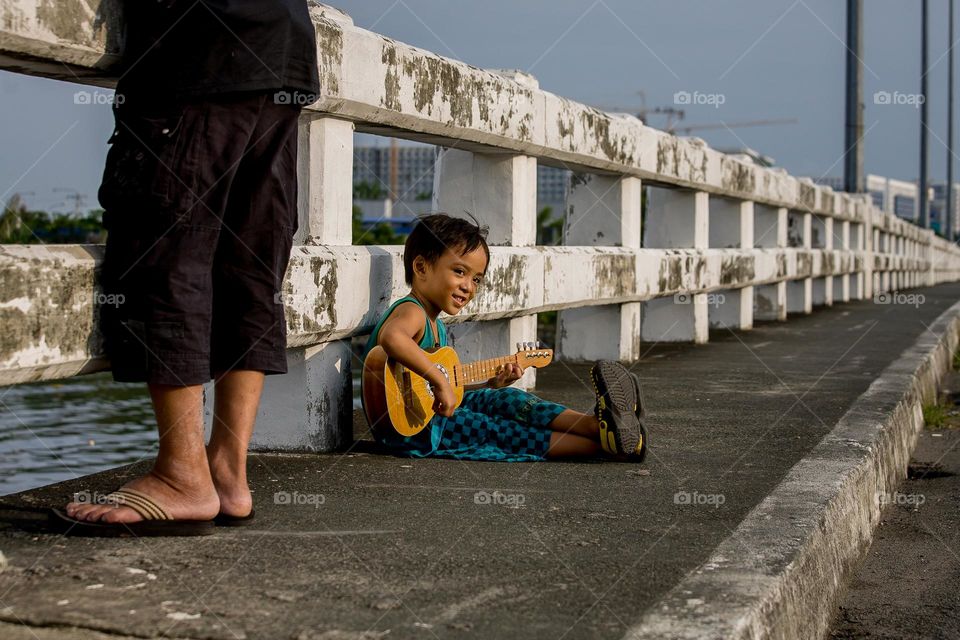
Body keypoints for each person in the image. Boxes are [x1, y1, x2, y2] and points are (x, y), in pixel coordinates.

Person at [56, 0, 320, 536]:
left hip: (202, 44)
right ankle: (227, 471)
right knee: (249, 261)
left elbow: (168, 263)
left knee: (169, 252)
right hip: (281, 45)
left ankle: (182, 475)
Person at [363, 214, 648, 462]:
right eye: (459, 271)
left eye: (476, 279)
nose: (468, 286)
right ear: (421, 267)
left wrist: (489, 383)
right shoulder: (412, 311)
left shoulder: (436, 326)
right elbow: (392, 338)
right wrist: (439, 381)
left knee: (507, 399)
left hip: (428, 418)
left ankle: (601, 426)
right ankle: (608, 444)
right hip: (413, 432)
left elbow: (434, 392)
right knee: (493, 429)